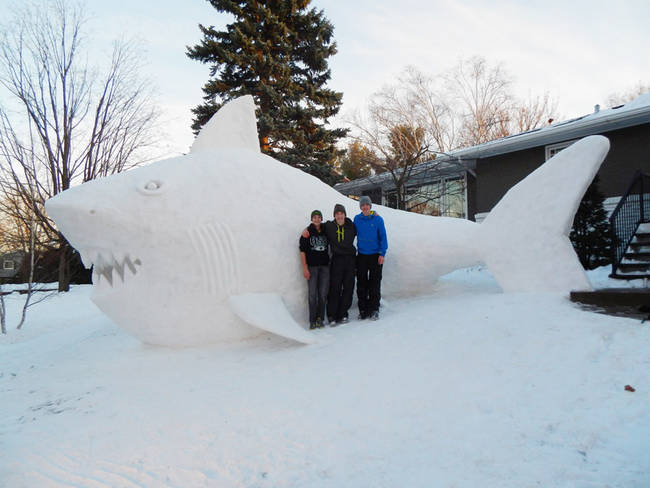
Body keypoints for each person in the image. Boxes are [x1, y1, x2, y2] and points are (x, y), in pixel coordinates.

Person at [302, 203, 357, 325]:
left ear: (344, 214)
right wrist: (306, 229)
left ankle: (343, 314)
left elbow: (365, 220)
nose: (339, 216)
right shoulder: (329, 226)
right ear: (334, 216)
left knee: (348, 288)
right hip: (337, 260)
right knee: (335, 288)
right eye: (337, 214)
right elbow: (316, 225)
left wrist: (374, 213)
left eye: (341, 213)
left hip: (350, 260)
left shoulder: (352, 226)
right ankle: (332, 315)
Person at [354, 196, 387, 320]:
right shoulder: (357, 219)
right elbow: (349, 231)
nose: (365, 207)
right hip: (362, 256)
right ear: (360, 207)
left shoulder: (378, 219)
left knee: (374, 283)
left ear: (370, 206)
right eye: (362, 205)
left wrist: (382, 254)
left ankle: (374, 309)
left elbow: (383, 237)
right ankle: (363, 309)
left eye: (367, 205)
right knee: (361, 284)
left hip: (375, 256)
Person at [299, 210, 329, 329]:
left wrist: (374, 213)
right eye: (314, 217)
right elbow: (302, 251)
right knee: (312, 294)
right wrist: (305, 267)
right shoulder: (307, 232)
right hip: (312, 267)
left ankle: (320, 318)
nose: (317, 219)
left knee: (322, 294)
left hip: (324, 267)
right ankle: (312, 320)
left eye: (319, 217)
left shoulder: (326, 229)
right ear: (312, 219)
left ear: (321, 218)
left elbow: (334, 222)